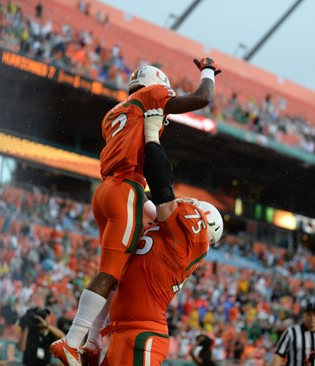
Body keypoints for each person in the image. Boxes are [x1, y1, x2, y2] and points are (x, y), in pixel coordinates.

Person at [50, 57, 221, 365]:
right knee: (110, 272)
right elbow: (203, 98)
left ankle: (88, 343)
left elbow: (154, 205)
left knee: (111, 271)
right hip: (127, 188)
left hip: (106, 189)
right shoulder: (151, 97)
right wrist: (208, 70)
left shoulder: (113, 113)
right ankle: (73, 341)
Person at [99, 109, 224, 366]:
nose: (188, 204)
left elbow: (162, 187)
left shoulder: (191, 238)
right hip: (123, 328)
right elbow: (137, 193)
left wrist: (152, 134)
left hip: (143, 333)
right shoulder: (169, 233)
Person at [271, 299, 315, 366]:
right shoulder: (291, 332)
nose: (312, 318)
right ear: (304, 316)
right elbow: (279, 355)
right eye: (309, 315)